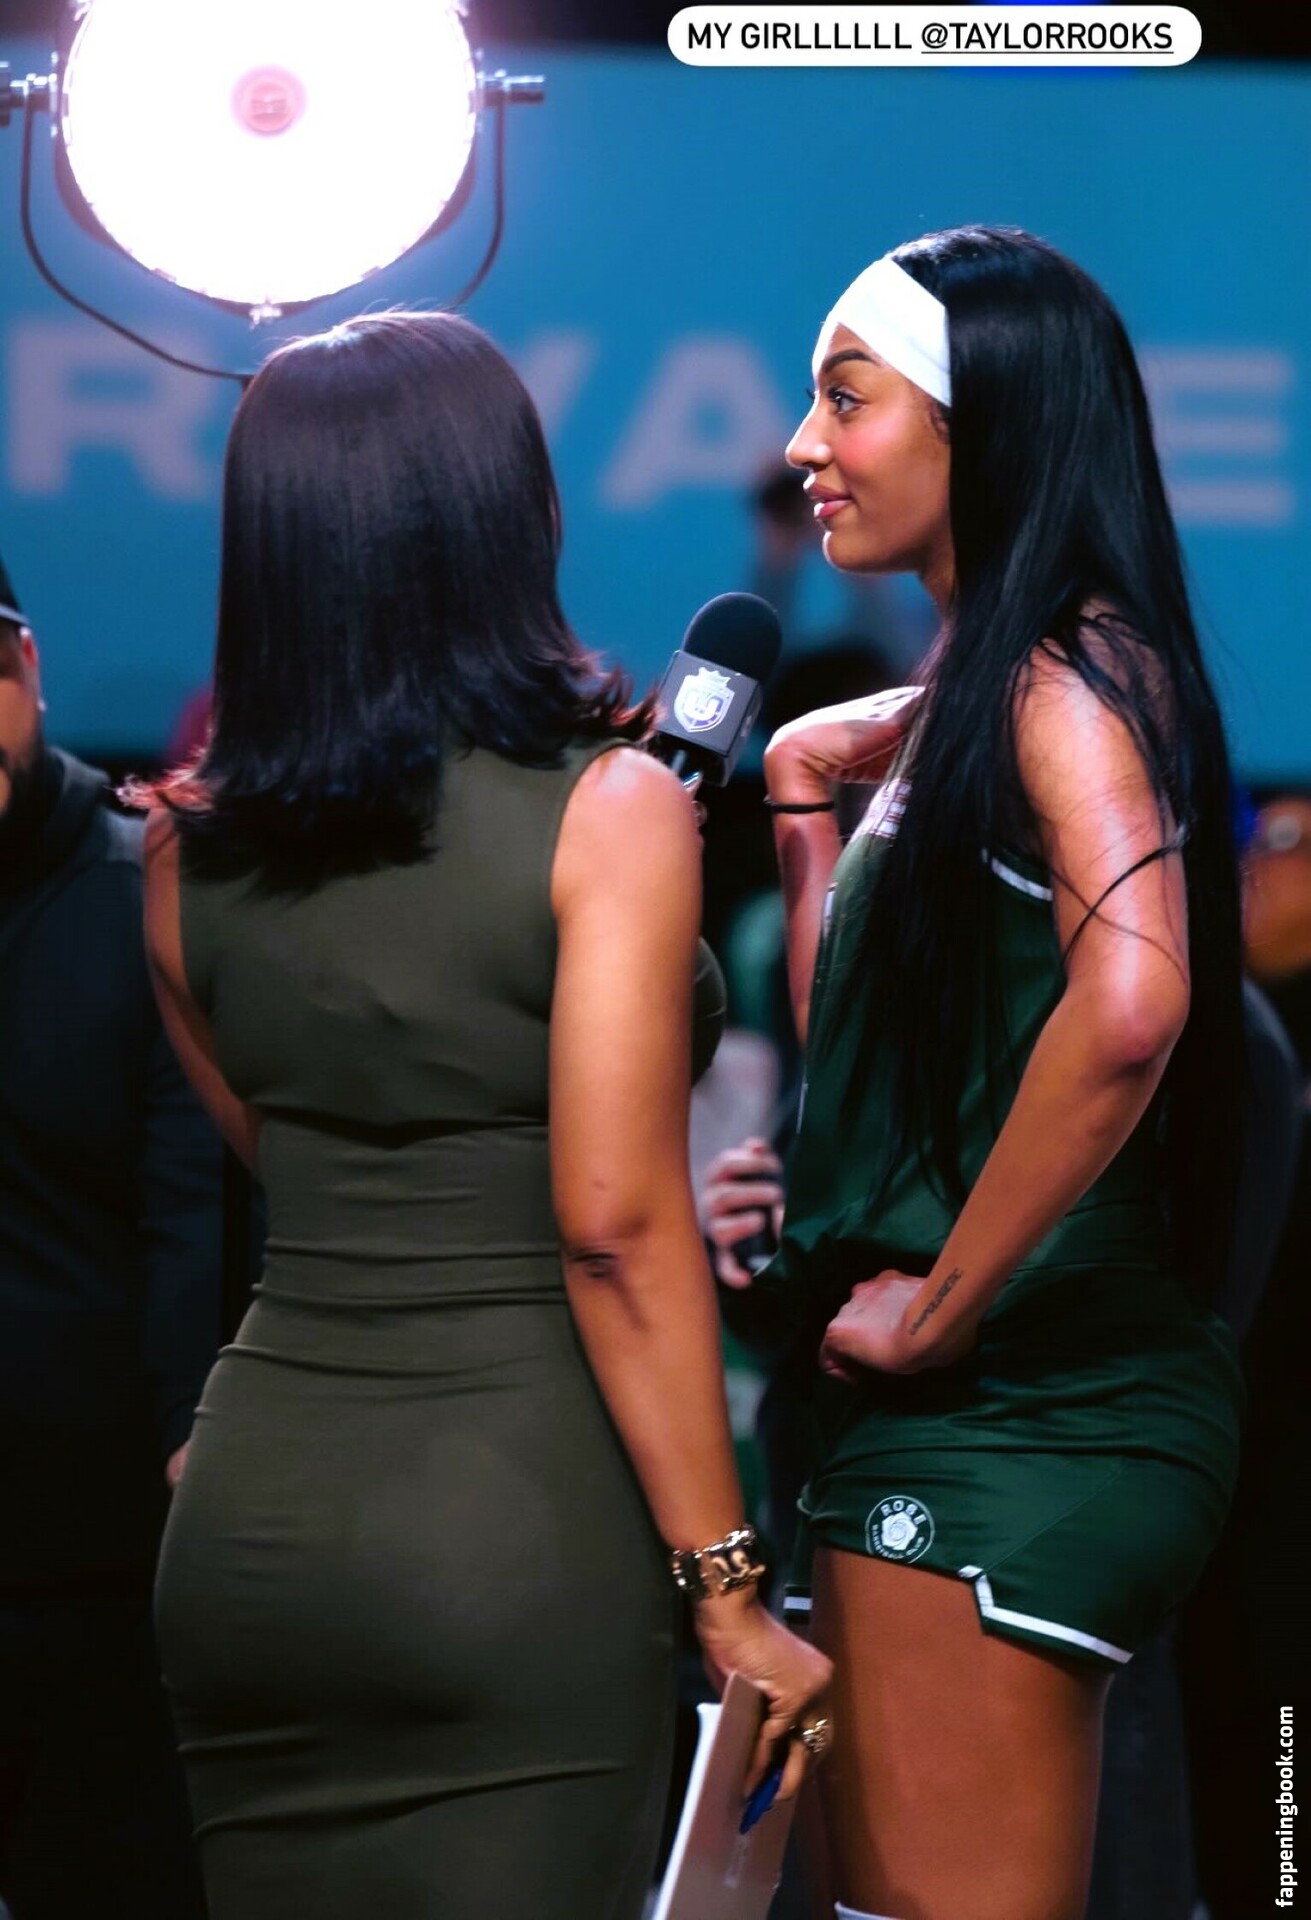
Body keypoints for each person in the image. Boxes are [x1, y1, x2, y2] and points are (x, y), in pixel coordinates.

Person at [135, 311, 830, 1920]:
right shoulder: (613, 812)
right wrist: (728, 1590)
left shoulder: (177, 850)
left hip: (247, 1528)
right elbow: (613, 1229)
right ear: (512, 519)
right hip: (509, 1532)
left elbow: (282, 1153)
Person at [752, 228, 1247, 1920]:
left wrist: (940, 1309)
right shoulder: (990, 690)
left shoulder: (1058, 681)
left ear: (991, 424)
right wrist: (806, 801)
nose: (803, 445)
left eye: (847, 399)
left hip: (1012, 1416)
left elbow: (1135, 1004)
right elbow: (864, 1060)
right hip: (972, 1416)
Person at [0, 552, 220, 1919]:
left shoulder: (147, 893)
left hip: (106, 1579)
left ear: (26, 667)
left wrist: (196, 1459)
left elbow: (197, 1223)